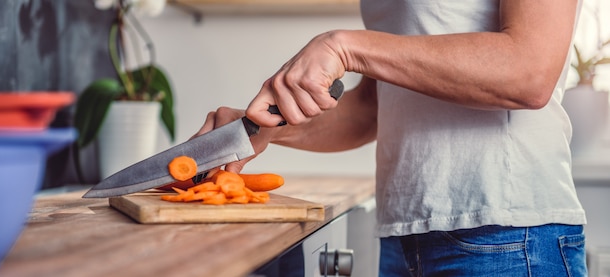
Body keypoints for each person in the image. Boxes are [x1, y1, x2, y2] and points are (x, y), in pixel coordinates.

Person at [196, 0, 588, 276]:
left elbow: (529, 71)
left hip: (507, 236)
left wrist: (344, 45)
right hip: (406, 237)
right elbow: (373, 106)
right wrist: (263, 128)